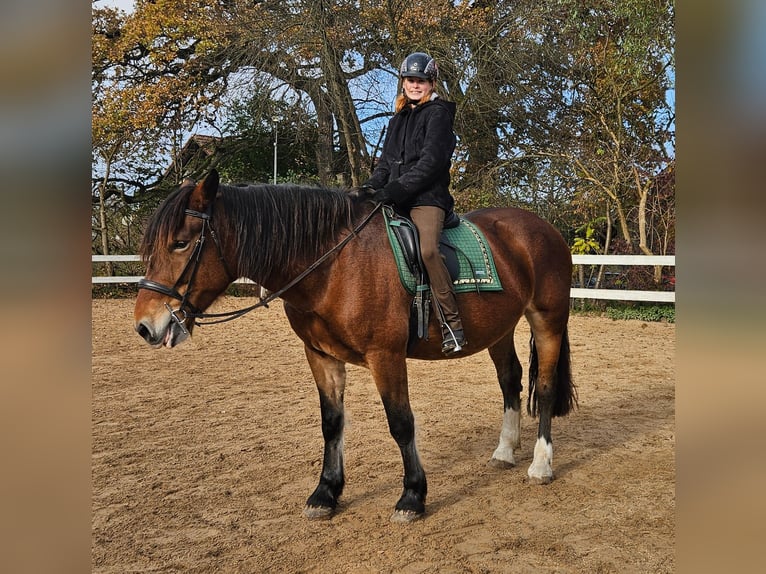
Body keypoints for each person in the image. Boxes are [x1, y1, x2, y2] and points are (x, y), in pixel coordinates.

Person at [361, 51, 466, 355]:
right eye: (410, 80)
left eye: (421, 80)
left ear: (432, 83)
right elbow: (385, 165)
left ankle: (452, 324)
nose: (415, 85)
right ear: (403, 83)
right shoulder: (398, 120)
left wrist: (395, 190)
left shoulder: (439, 115)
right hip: (398, 195)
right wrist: (368, 188)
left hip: (427, 199)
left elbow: (431, 164)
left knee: (428, 250)